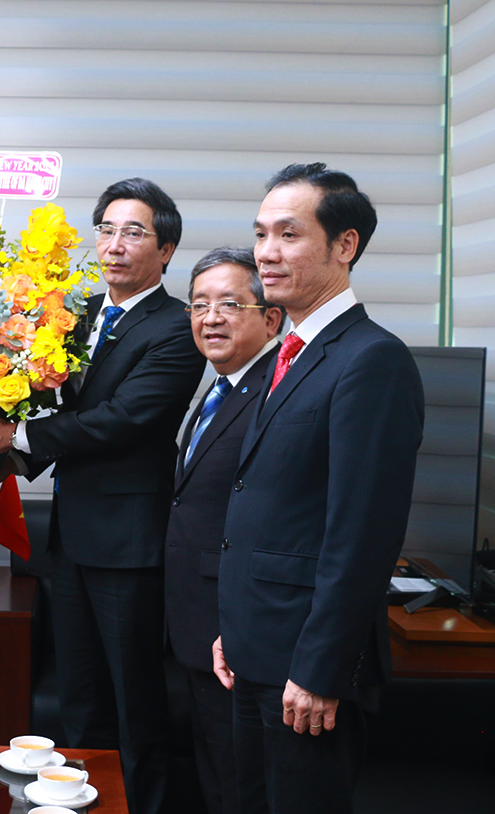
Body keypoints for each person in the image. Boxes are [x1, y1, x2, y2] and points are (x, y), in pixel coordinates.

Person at [0, 178, 205, 814]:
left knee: (134, 702)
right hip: (73, 533)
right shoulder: (79, 314)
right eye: (107, 230)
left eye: (134, 232)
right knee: (80, 698)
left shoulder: (177, 327)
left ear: (166, 249)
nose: (115, 246)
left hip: (131, 540)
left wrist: (17, 433)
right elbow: (41, 392)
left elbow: (122, 418)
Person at [212, 163, 424, 814]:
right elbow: (273, 504)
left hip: (306, 669)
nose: (266, 253)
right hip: (256, 650)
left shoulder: (371, 360)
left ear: (345, 245)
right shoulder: (291, 350)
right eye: (261, 234)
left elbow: (361, 533)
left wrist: (320, 669)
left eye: (289, 234)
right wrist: (235, 626)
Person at [164, 248, 283, 814]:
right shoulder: (218, 389)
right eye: (199, 305)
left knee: (240, 783)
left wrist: (232, 625)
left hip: (230, 629)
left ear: (271, 318)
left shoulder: (273, 396)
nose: (209, 317)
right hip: (197, 622)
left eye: (229, 304)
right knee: (215, 772)